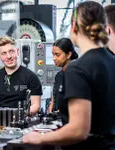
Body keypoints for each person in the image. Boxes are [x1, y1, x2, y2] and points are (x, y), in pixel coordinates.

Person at [23, 1, 115, 149]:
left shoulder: (78, 69)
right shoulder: (111, 61)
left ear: (74, 26)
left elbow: (78, 131)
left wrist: (40, 138)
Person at [0, 36, 42, 115]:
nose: (9, 56)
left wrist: (18, 114)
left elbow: (36, 105)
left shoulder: (31, 77)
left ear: (17, 51)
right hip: (0, 122)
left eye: (11, 51)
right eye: (4, 53)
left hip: (23, 121)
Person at [48, 38, 78, 116]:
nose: (54, 58)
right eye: (53, 54)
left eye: (57, 55)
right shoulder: (58, 75)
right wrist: (51, 106)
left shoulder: (76, 75)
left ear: (68, 55)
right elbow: (55, 95)